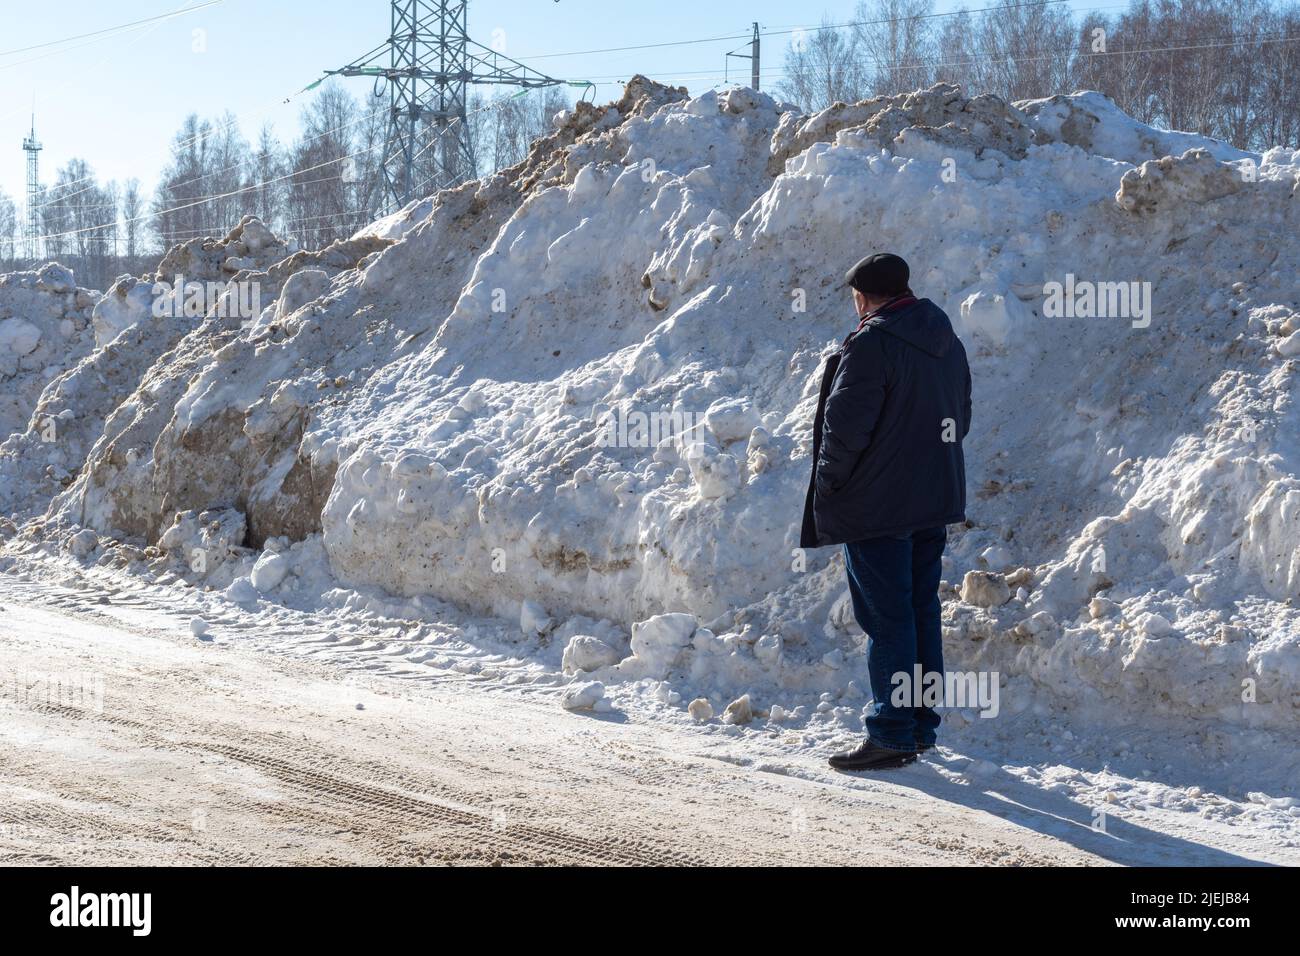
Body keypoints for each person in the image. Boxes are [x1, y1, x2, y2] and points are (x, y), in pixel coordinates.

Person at [800, 253, 972, 771]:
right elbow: (959, 416)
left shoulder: (872, 342)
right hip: (932, 499)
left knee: (887, 617)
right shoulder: (945, 340)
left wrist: (830, 482)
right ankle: (918, 725)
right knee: (919, 610)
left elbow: (845, 428)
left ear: (861, 297)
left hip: (878, 506)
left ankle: (893, 730)